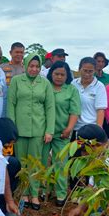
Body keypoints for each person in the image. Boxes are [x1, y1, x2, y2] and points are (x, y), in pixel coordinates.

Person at [7, 53, 55, 210]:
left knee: (35, 163)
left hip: (38, 129)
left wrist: (49, 130)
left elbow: (50, 108)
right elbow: (11, 105)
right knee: (21, 163)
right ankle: (23, 193)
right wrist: (11, 129)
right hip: (19, 129)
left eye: (37, 66)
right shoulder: (16, 81)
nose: (34, 69)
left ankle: (34, 194)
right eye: (31, 66)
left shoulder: (45, 83)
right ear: (25, 66)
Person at [43, 61, 81, 206]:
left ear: (67, 76)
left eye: (62, 74)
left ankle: (60, 194)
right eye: (56, 74)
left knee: (60, 163)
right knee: (42, 161)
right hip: (44, 132)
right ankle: (41, 191)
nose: (59, 77)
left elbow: (74, 111)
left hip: (62, 133)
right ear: (51, 73)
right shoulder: (45, 87)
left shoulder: (71, 90)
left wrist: (69, 128)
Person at [72, 57, 108, 137]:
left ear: (95, 71)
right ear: (79, 69)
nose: (87, 74)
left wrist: (98, 131)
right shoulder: (73, 84)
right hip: (74, 128)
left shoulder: (99, 86)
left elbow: (100, 110)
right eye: (85, 70)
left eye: (90, 71)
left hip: (91, 130)